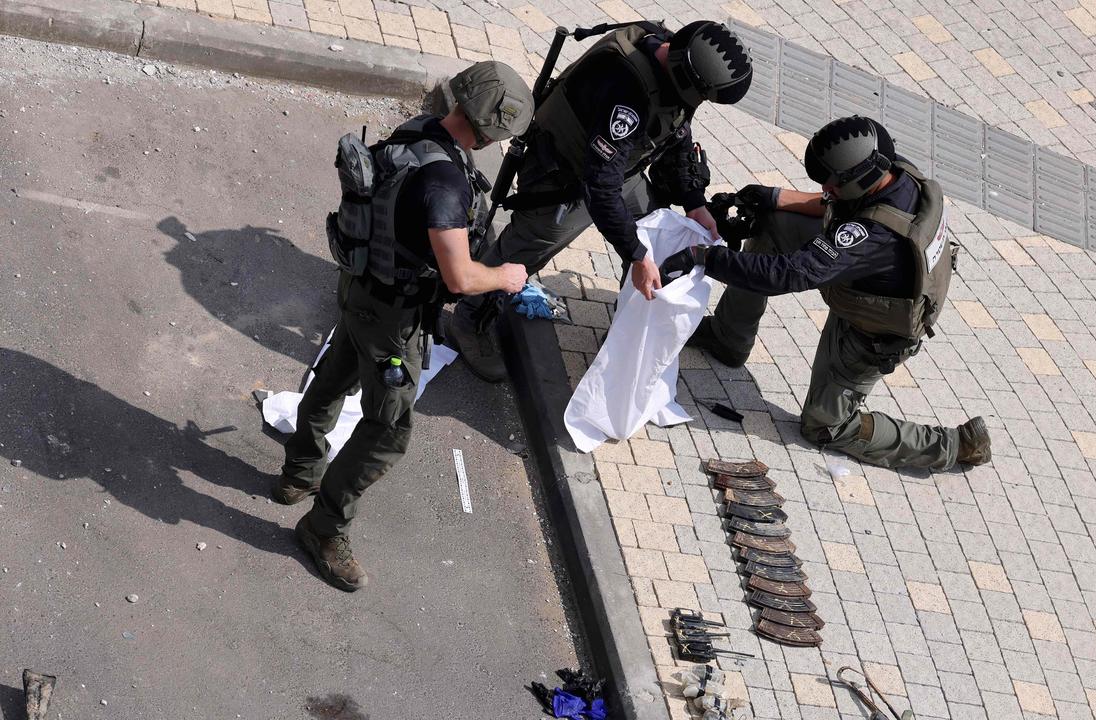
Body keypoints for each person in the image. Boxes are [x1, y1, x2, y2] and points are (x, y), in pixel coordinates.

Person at [273, 61, 534, 591]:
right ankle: (323, 529)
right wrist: (504, 276)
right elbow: (459, 277)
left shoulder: (418, 131)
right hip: (394, 317)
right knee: (387, 430)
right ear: (491, 130)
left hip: (359, 288)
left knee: (335, 373)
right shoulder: (445, 184)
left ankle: (300, 473)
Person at [661, 116, 992, 472]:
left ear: (859, 179)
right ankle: (728, 338)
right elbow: (839, 206)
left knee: (823, 427)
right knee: (772, 221)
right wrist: (774, 198)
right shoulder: (889, 169)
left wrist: (705, 258)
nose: (825, 191)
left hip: (873, 331)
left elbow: (787, 274)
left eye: (831, 185)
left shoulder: (872, 236)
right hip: (866, 277)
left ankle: (956, 446)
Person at [449, 20, 754, 382]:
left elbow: (677, 131)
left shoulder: (671, 57)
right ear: (686, 74)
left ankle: (629, 328)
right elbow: (600, 186)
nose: (701, 102)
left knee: (658, 234)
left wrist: (694, 203)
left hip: (616, 171)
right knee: (526, 247)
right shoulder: (627, 89)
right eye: (703, 95)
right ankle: (468, 320)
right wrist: (635, 254)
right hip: (562, 175)